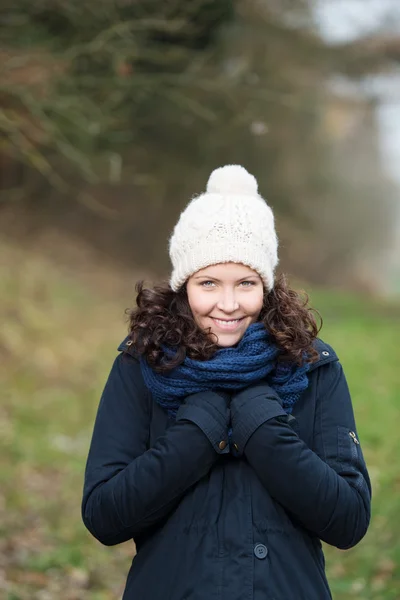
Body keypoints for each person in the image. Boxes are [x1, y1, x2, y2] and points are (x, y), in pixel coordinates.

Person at [81, 165, 371, 600]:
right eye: (209, 283)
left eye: (247, 283)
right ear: (184, 287)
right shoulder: (141, 364)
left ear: (268, 288)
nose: (229, 304)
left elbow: (348, 520)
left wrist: (263, 425)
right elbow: (104, 516)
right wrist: (199, 429)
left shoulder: (311, 366)